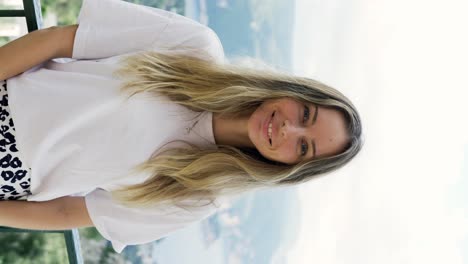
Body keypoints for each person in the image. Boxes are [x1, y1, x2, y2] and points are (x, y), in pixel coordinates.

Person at [0, 0, 362, 253]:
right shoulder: (193, 47)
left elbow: (68, 212)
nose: (288, 130)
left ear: (291, 168)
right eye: (305, 115)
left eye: (303, 147)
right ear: (294, 93)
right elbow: (62, 40)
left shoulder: (194, 198)